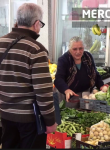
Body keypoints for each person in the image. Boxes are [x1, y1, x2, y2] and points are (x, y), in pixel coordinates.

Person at [0, 3, 57, 149]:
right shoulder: (36, 49)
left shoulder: (1, 43)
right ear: (36, 24)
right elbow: (43, 92)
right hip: (30, 121)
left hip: (5, 116)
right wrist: (50, 121)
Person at [54, 36, 108, 108]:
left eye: (81, 48)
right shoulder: (64, 60)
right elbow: (58, 79)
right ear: (69, 49)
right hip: (70, 96)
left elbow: (95, 74)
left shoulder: (88, 56)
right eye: (74, 49)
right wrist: (66, 90)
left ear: (84, 47)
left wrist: (101, 86)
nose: (78, 52)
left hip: (86, 95)